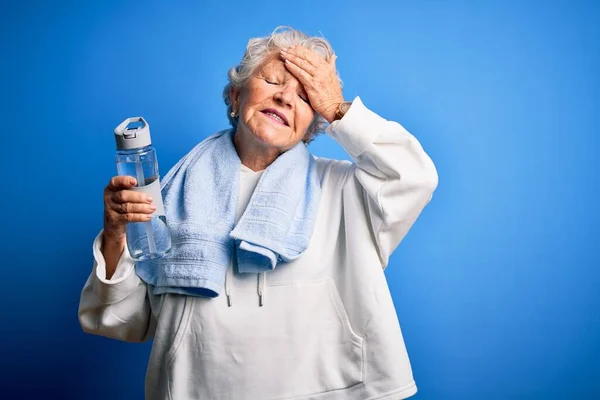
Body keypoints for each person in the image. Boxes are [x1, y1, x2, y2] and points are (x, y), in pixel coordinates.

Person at [78, 26, 438, 400]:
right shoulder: (170, 193)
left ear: (313, 126)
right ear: (236, 96)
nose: (284, 97)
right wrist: (116, 236)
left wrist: (337, 107)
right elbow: (121, 319)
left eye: (305, 96)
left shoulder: (343, 190)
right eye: (272, 80)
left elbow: (414, 177)